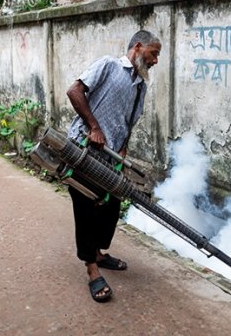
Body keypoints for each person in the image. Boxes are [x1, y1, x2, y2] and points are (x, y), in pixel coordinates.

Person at [65, 29, 161, 302]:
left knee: (110, 206)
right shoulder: (108, 65)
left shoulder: (140, 84)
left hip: (111, 157)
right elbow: (74, 91)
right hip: (84, 149)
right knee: (85, 209)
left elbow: (130, 121)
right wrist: (94, 127)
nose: (155, 61)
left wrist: (123, 146)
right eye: (153, 53)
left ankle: (97, 252)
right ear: (138, 47)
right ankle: (92, 269)